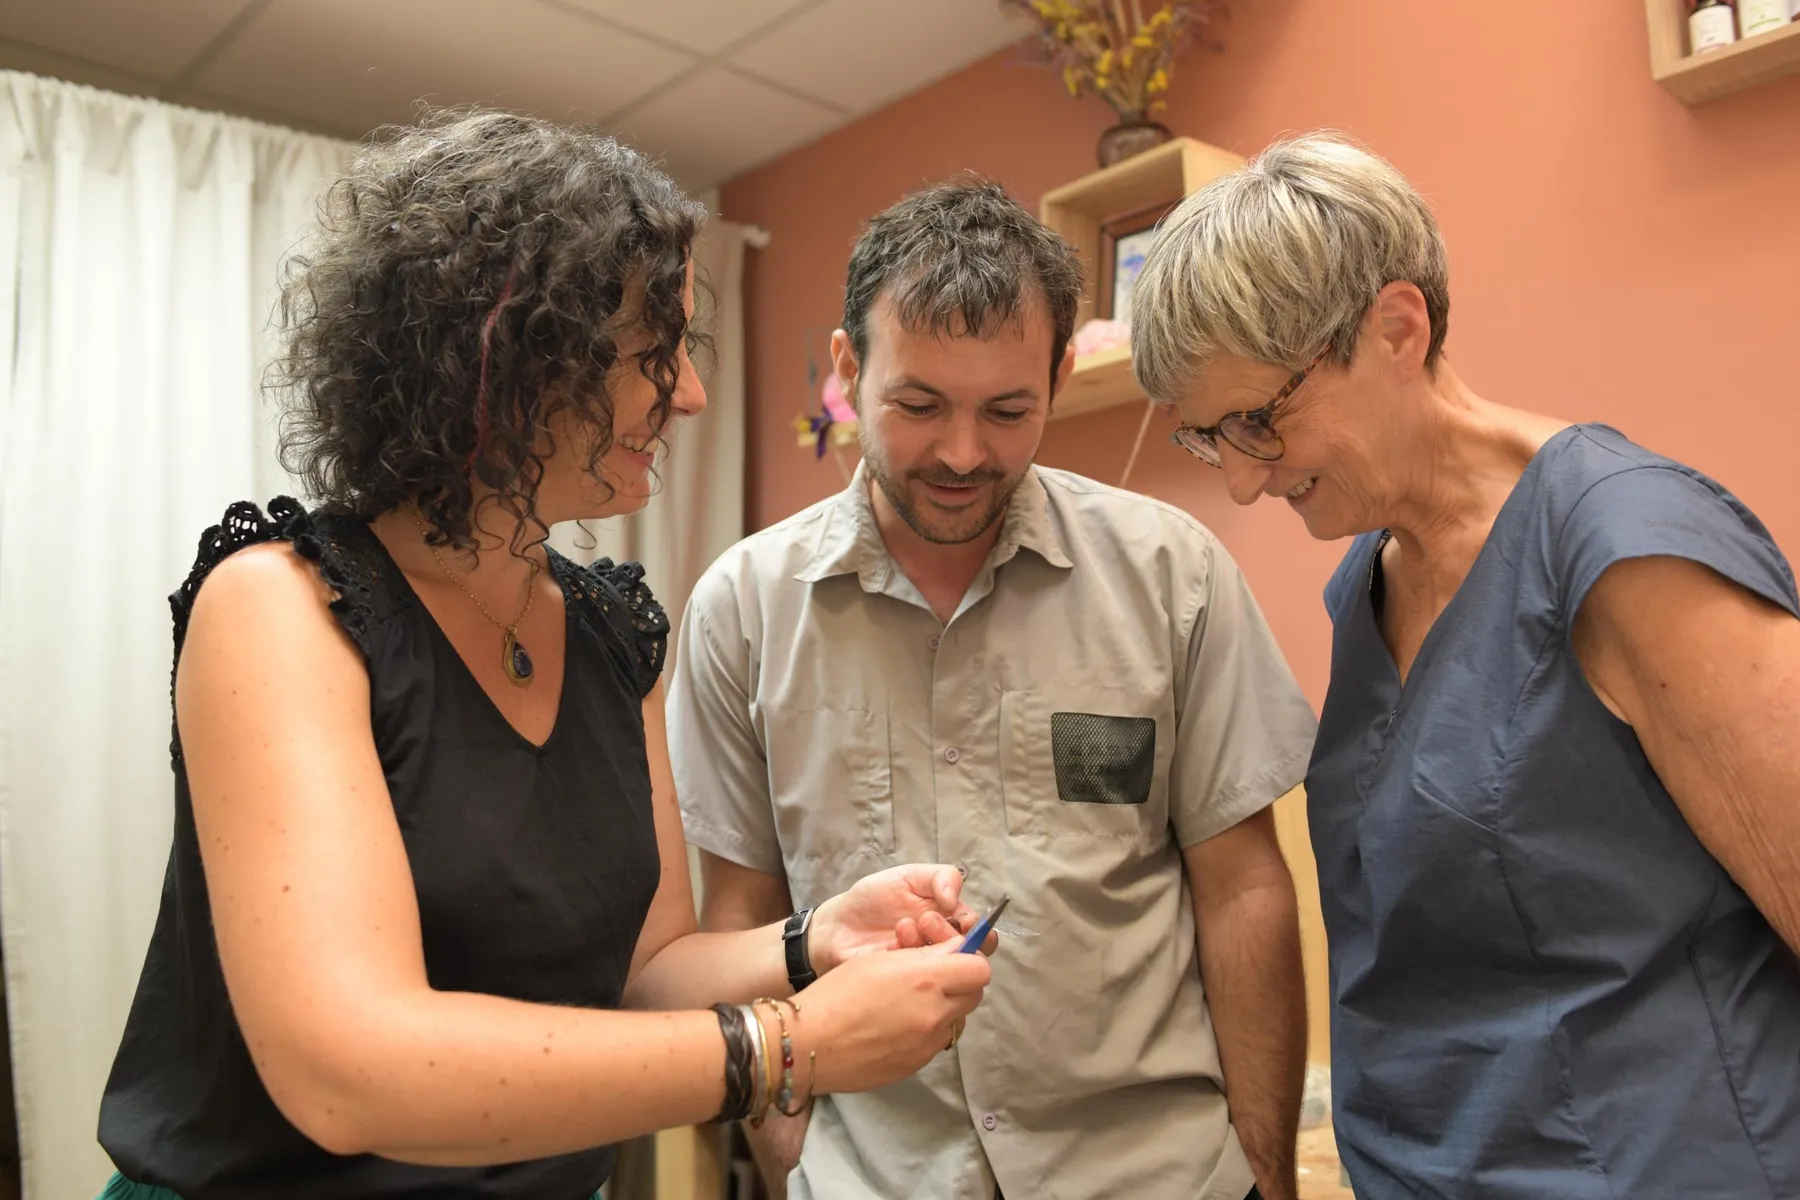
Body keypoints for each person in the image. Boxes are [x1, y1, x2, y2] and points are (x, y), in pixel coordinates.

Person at [94, 108, 995, 1200]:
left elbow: (645, 974)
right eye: (654, 353)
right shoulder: (285, 607)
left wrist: (812, 943)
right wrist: (789, 1044)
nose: (692, 394)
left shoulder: (613, 634)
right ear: (505, 360)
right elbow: (349, 1071)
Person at [1129, 131, 1800, 1199]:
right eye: (1212, 439)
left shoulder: (1625, 548)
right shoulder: (1368, 580)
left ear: (1398, 328)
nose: (1245, 483)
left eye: (1258, 421)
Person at [669, 177, 1319, 1200]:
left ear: (1058, 377)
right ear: (849, 369)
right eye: (919, 405)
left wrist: (1269, 1177)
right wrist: (789, 1153)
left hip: (1158, 1173)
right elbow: (742, 910)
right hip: (875, 1177)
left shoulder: (1173, 576)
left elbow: (1243, 890)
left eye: (1009, 410)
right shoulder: (742, 609)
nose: (963, 454)